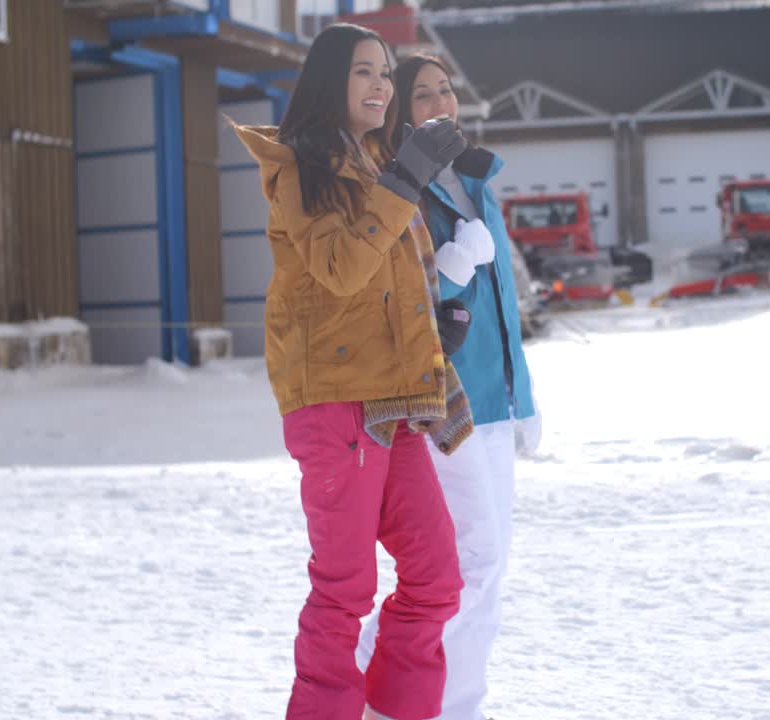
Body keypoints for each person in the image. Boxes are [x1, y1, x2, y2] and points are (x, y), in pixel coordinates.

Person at [231, 25, 474, 720]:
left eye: (386, 75)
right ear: (329, 80)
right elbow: (340, 270)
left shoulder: (373, 163)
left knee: (436, 577)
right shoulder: (297, 167)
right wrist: (404, 180)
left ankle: (398, 710)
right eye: (364, 72)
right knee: (344, 589)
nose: (381, 87)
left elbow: (393, 279)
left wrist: (434, 326)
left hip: (393, 394)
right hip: (334, 401)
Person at [356, 53, 541, 720]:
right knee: (468, 564)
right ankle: (377, 666)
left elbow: (503, 305)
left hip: (498, 400)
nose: (439, 102)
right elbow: (414, 296)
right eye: (422, 93)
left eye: (445, 90)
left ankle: (457, 702)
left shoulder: (475, 182)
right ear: (401, 111)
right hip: (447, 402)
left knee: (489, 577)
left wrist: (526, 398)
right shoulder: (401, 187)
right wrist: (458, 260)